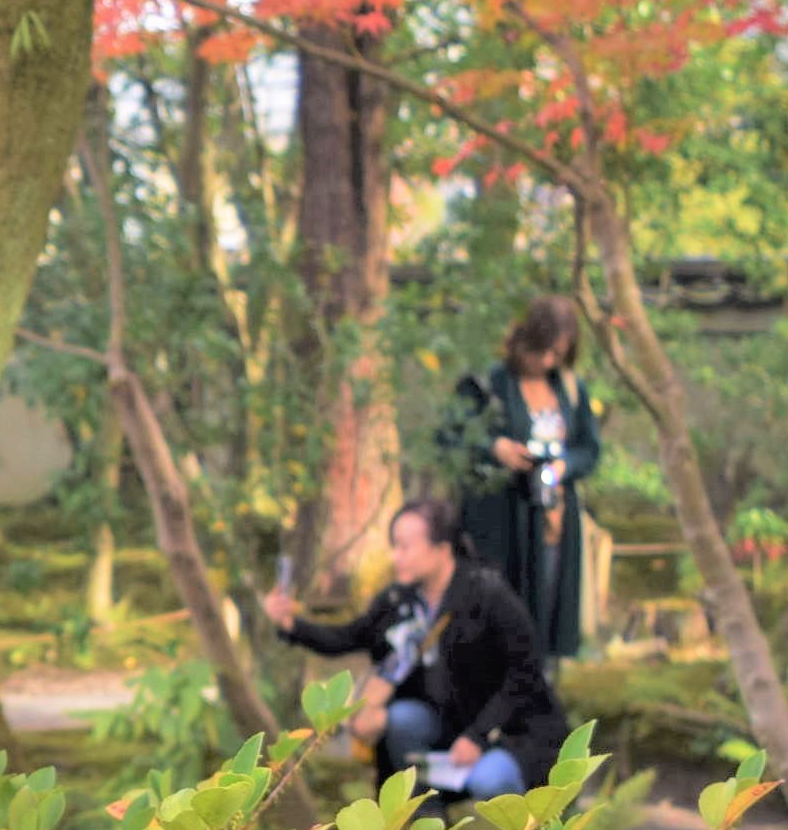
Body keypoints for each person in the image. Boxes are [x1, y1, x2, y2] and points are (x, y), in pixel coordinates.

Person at [257, 496, 570, 802]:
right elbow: (348, 637)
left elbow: (525, 673)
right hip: (449, 725)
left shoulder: (487, 595)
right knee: (401, 718)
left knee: (489, 781)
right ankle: (425, 822)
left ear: (441, 549)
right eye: (394, 546)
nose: (396, 557)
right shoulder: (400, 601)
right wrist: (291, 625)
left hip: (507, 731)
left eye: (405, 546)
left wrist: (478, 735)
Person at [439, 292, 603, 659]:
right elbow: (448, 436)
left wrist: (563, 467)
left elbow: (589, 449)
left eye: (556, 354)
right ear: (521, 340)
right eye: (539, 350)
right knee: (495, 622)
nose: (545, 361)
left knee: (545, 619)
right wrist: (495, 448)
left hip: (551, 520)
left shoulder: (571, 390)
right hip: (500, 522)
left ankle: (538, 691)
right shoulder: (487, 383)